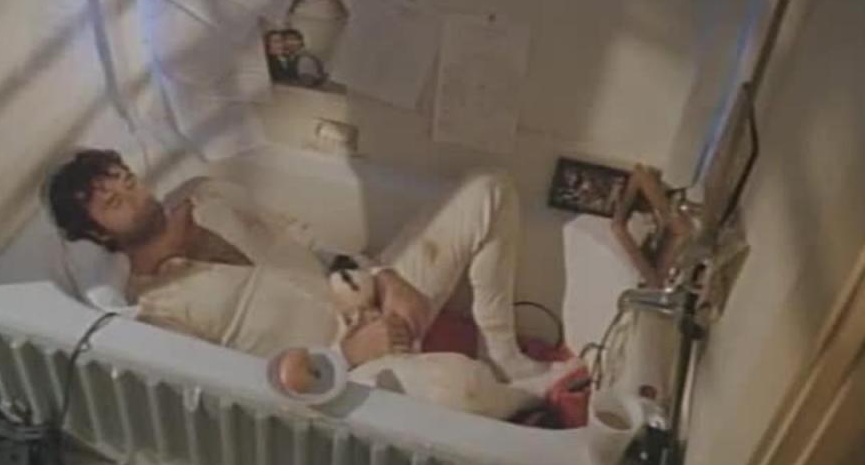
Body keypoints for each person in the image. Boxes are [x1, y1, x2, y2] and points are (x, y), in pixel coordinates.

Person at [46, 150, 565, 382]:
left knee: (490, 187)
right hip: (347, 377)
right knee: (465, 389)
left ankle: (503, 352)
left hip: (369, 300)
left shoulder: (209, 193)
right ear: (99, 235)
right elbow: (242, 390)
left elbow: (312, 244)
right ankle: (481, 380)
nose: (135, 195)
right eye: (113, 202)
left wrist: (385, 278)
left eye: (128, 180)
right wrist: (345, 356)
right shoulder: (153, 309)